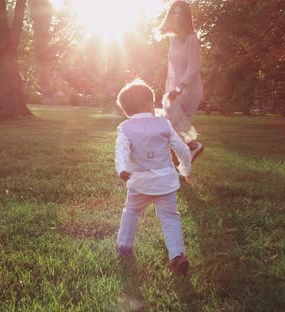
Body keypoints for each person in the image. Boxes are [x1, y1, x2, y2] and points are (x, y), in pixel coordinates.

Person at [114, 79, 192, 275]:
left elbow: (121, 151)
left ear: (126, 111)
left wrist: (122, 170)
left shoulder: (125, 127)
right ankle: (177, 256)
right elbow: (181, 148)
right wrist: (185, 168)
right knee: (170, 218)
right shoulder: (163, 124)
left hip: (139, 182)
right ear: (151, 105)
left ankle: (124, 246)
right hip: (166, 182)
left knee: (131, 211)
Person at [159, 0, 204, 162]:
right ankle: (183, 157)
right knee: (168, 126)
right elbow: (173, 70)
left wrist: (178, 90)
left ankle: (191, 148)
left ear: (187, 17)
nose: (177, 16)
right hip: (174, 89)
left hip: (188, 89)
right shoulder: (173, 39)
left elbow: (194, 69)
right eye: (174, 12)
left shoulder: (192, 39)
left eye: (181, 13)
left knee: (170, 125)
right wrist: (169, 90)